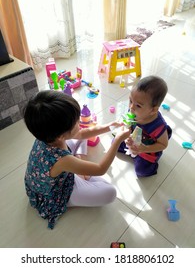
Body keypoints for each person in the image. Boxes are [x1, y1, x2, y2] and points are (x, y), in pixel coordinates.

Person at [23, 90, 131, 229]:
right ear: (61, 136)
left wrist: (110, 127)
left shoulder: (47, 134)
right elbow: (100, 169)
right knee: (110, 192)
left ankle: (79, 167)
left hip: (47, 176)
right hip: (56, 192)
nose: (80, 122)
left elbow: (81, 134)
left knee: (81, 138)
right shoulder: (61, 159)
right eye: (76, 122)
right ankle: (79, 172)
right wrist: (117, 140)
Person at [118, 75, 172, 177]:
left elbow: (163, 145)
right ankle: (132, 153)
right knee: (115, 142)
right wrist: (126, 137)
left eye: (138, 105)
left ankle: (150, 164)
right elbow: (127, 125)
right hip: (133, 143)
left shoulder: (158, 126)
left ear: (153, 110)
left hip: (147, 150)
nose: (131, 107)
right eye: (130, 101)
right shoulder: (132, 111)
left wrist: (143, 149)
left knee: (142, 171)